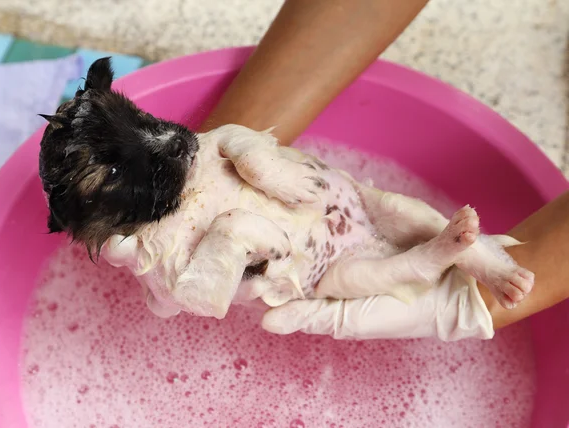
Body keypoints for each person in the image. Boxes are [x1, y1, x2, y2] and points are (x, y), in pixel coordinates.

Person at [197, 0, 569, 339]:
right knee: (388, 230)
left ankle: (467, 259)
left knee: (391, 235)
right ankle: (442, 255)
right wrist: (217, 162)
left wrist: (475, 303)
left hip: (329, 245)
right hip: (335, 240)